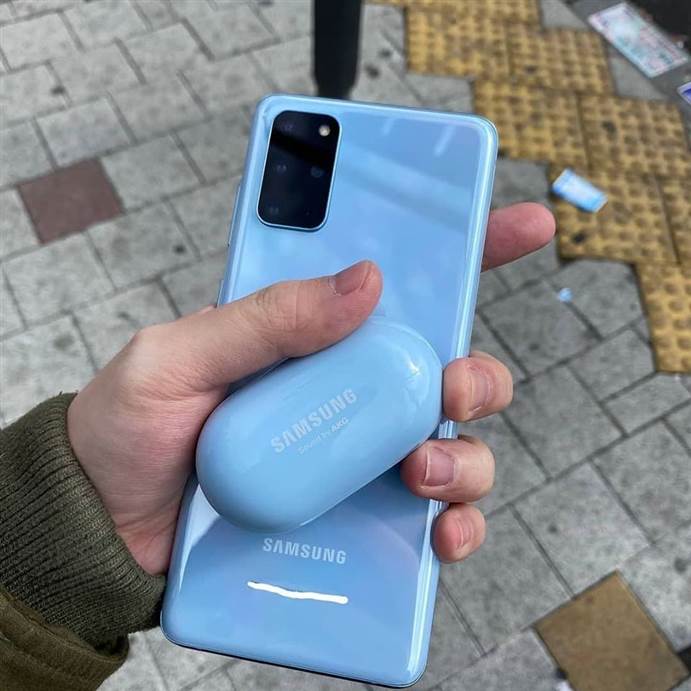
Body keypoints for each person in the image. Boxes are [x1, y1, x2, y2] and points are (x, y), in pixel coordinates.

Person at [0, 202, 554, 690]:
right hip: (324, 424)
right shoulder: (401, 365)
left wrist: (70, 533)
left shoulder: (397, 369)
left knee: (447, 432)